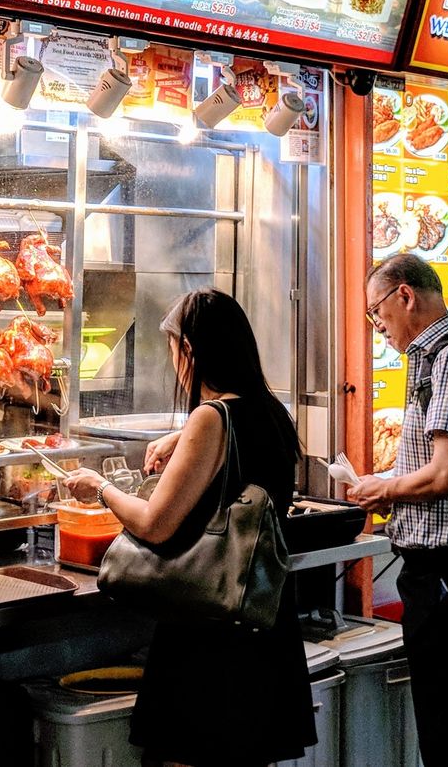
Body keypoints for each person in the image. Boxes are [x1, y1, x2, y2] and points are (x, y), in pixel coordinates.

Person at [64, 288, 314, 767]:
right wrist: (180, 436)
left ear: (191, 351)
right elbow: (236, 435)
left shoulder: (210, 418)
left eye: (173, 351)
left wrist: (100, 488)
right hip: (263, 623)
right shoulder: (272, 410)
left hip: (210, 634)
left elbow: (154, 525)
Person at [348, 253, 448, 767]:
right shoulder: (438, 358)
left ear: (405, 296)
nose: (377, 326)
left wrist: (385, 489)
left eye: (376, 312)